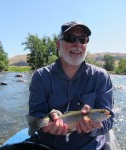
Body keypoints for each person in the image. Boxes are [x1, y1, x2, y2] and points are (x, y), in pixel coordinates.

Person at [28, 21, 114, 150]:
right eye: (70, 38)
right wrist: (46, 122)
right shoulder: (40, 76)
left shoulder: (101, 76)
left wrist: (92, 129)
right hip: (48, 146)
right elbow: (36, 114)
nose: (77, 44)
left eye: (82, 39)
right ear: (58, 44)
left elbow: (109, 121)